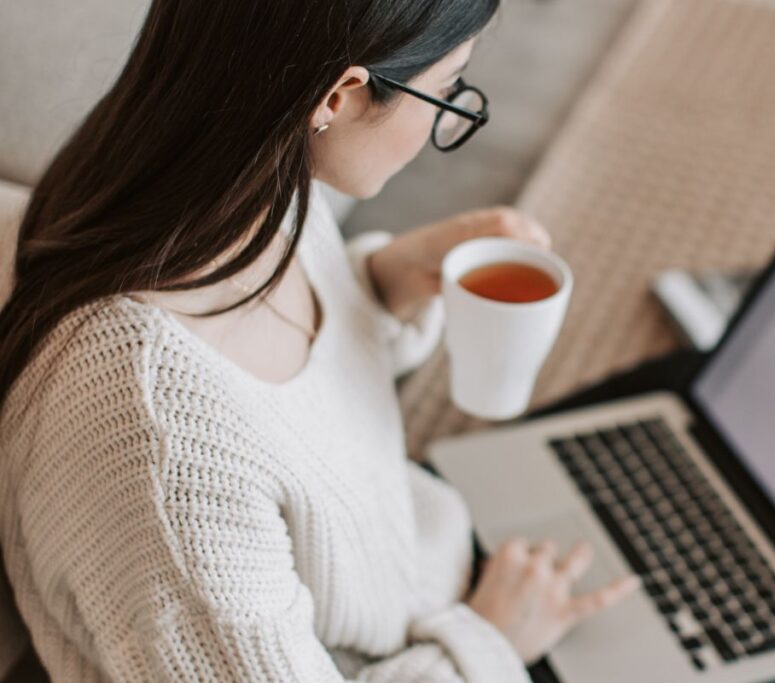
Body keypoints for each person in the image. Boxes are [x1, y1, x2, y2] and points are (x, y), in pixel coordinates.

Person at [0, 1, 640, 681]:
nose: (447, 116)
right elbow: (229, 438)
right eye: (447, 90)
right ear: (340, 94)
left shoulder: (221, 182)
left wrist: (381, 285)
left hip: (419, 579)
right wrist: (487, 641)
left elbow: (281, 408)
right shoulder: (163, 450)